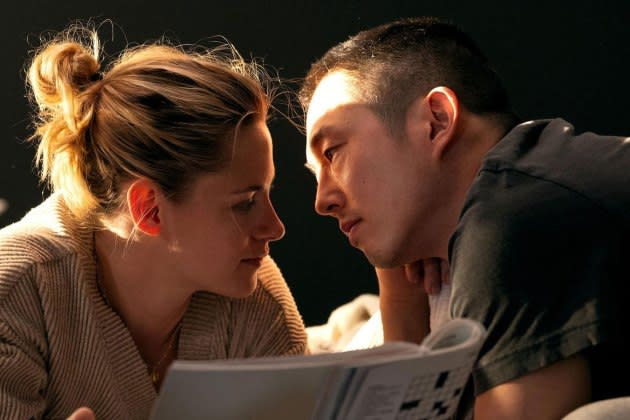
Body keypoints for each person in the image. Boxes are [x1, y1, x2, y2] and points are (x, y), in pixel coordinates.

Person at [299, 16, 630, 419]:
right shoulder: (525, 179)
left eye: (333, 152)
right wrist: (398, 288)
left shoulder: (511, 216)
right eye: (315, 174)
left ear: (436, 120)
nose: (322, 201)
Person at [0, 24, 307, 419]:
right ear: (149, 209)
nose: (275, 227)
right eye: (246, 202)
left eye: (267, 193)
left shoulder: (256, 304)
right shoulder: (19, 290)